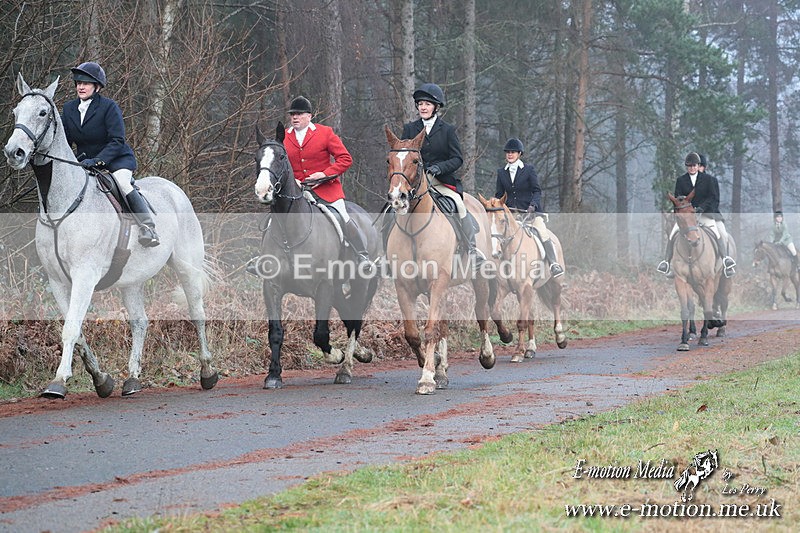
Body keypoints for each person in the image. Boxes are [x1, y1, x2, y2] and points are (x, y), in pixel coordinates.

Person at [62, 61, 159, 247]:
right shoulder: (68, 109)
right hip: (85, 163)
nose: (81, 86)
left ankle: (148, 228)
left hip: (116, 160)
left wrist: (98, 161)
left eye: (86, 83)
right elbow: (66, 142)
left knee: (122, 183)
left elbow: (117, 140)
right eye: (78, 83)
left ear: (96, 86)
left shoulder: (109, 107)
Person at [400, 82, 485, 270]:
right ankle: (386, 255)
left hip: (440, 182)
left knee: (459, 205)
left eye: (427, 104)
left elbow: (457, 159)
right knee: (392, 207)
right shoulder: (409, 129)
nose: (423, 107)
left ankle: (471, 249)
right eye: (420, 103)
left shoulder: (447, 130)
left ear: (436, 107)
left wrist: (439, 168)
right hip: (414, 182)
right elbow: (404, 156)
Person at [283, 95, 371, 270]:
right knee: (276, 218)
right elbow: (280, 164)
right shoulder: (284, 137)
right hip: (296, 191)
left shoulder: (325, 133)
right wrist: (292, 180)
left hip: (326, 190)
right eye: (293, 114)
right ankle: (265, 257)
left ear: (309, 116)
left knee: (342, 216)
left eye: (299, 114)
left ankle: (362, 255)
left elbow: (345, 159)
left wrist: (323, 174)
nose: (295, 117)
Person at [657, 152, 736, 277]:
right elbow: (678, 198)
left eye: (694, 166)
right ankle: (666, 262)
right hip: (687, 216)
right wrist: (684, 206)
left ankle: (726, 260)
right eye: (689, 166)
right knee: (673, 234)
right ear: (687, 167)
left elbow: (713, 198)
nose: (692, 168)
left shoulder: (709, 180)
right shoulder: (681, 180)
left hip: (706, 215)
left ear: (698, 165)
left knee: (719, 233)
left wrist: (700, 209)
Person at [494, 138, 564, 277]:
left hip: (530, 213)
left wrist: (533, 205)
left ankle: (553, 264)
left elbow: (536, 190)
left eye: (513, 152)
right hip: (511, 215)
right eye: (508, 152)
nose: (510, 154)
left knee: (542, 232)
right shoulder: (501, 173)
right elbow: (499, 195)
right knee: (497, 234)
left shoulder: (528, 170)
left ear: (519, 153)